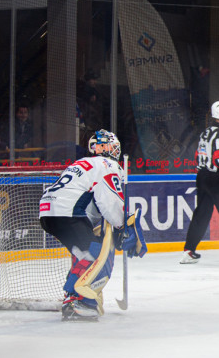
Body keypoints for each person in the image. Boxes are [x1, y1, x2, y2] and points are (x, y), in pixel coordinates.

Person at [38, 130, 147, 321]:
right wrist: (122, 226)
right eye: (113, 146)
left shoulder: (83, 163)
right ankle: (78, 301)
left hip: (48, 212)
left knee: (83, 254)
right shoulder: (107, 165)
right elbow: (109, 201)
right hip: (69, 213)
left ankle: (74, 297)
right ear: (106, 147)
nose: (115, 150)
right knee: (95, 255)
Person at [181, 101, 219, 267]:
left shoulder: (205, 133)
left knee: (201, 215)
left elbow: (198, 156)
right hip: (217, 178)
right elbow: (218, 158)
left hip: (202, 177)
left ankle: (188, 251)